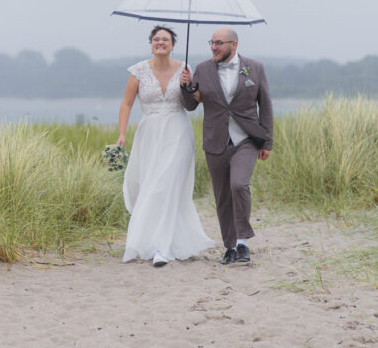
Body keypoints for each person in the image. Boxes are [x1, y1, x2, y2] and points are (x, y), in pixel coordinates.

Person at [116, 25, 215, 267]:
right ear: (151, 43)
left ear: (172, 45)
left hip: (178, 132)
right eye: (156, 39)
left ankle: (162, 247)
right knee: (150, 185)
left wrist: (188, 86)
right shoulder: (138, 71)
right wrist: (121, 135)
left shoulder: (185, 69)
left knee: (167, 186)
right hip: (149, 133)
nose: (160, 42)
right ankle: (145, 241)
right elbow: (127, 104)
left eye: (166, 39)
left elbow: (194, 102)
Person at [180, 27, 273, 266]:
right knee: (222, 196)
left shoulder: (255, 68)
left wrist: (267, 141)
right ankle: (230, 247)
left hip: (247, 139)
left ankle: (243, 241)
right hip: (215, 140)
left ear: (234, 44)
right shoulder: (202, 69)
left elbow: (266, 105)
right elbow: (191, 106)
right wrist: (185, 87)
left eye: (219, 43)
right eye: (212, 42)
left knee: (239, 185)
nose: (213, 47)